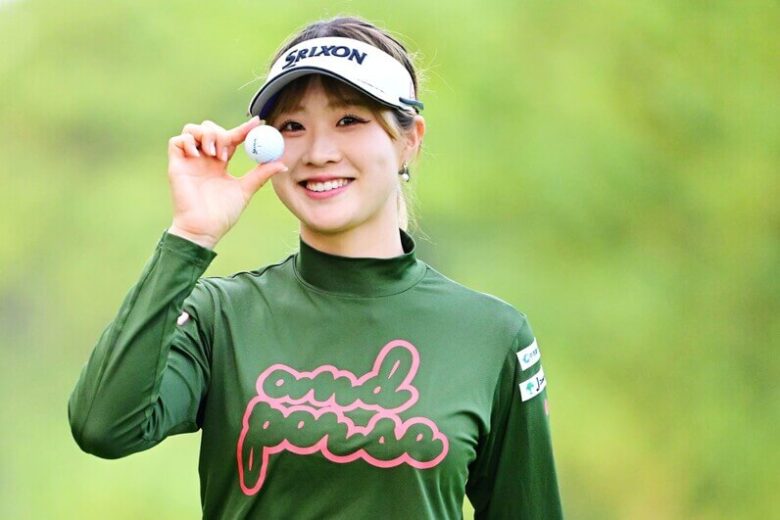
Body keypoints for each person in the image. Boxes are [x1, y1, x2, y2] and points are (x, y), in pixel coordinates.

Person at [68, 16, 563, 519]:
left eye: (349, 120)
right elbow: (104, 426)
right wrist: (190, 236)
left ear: (409, 139)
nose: (320, 153)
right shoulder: (221, 318)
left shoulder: (491, 335)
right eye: (292, 127)